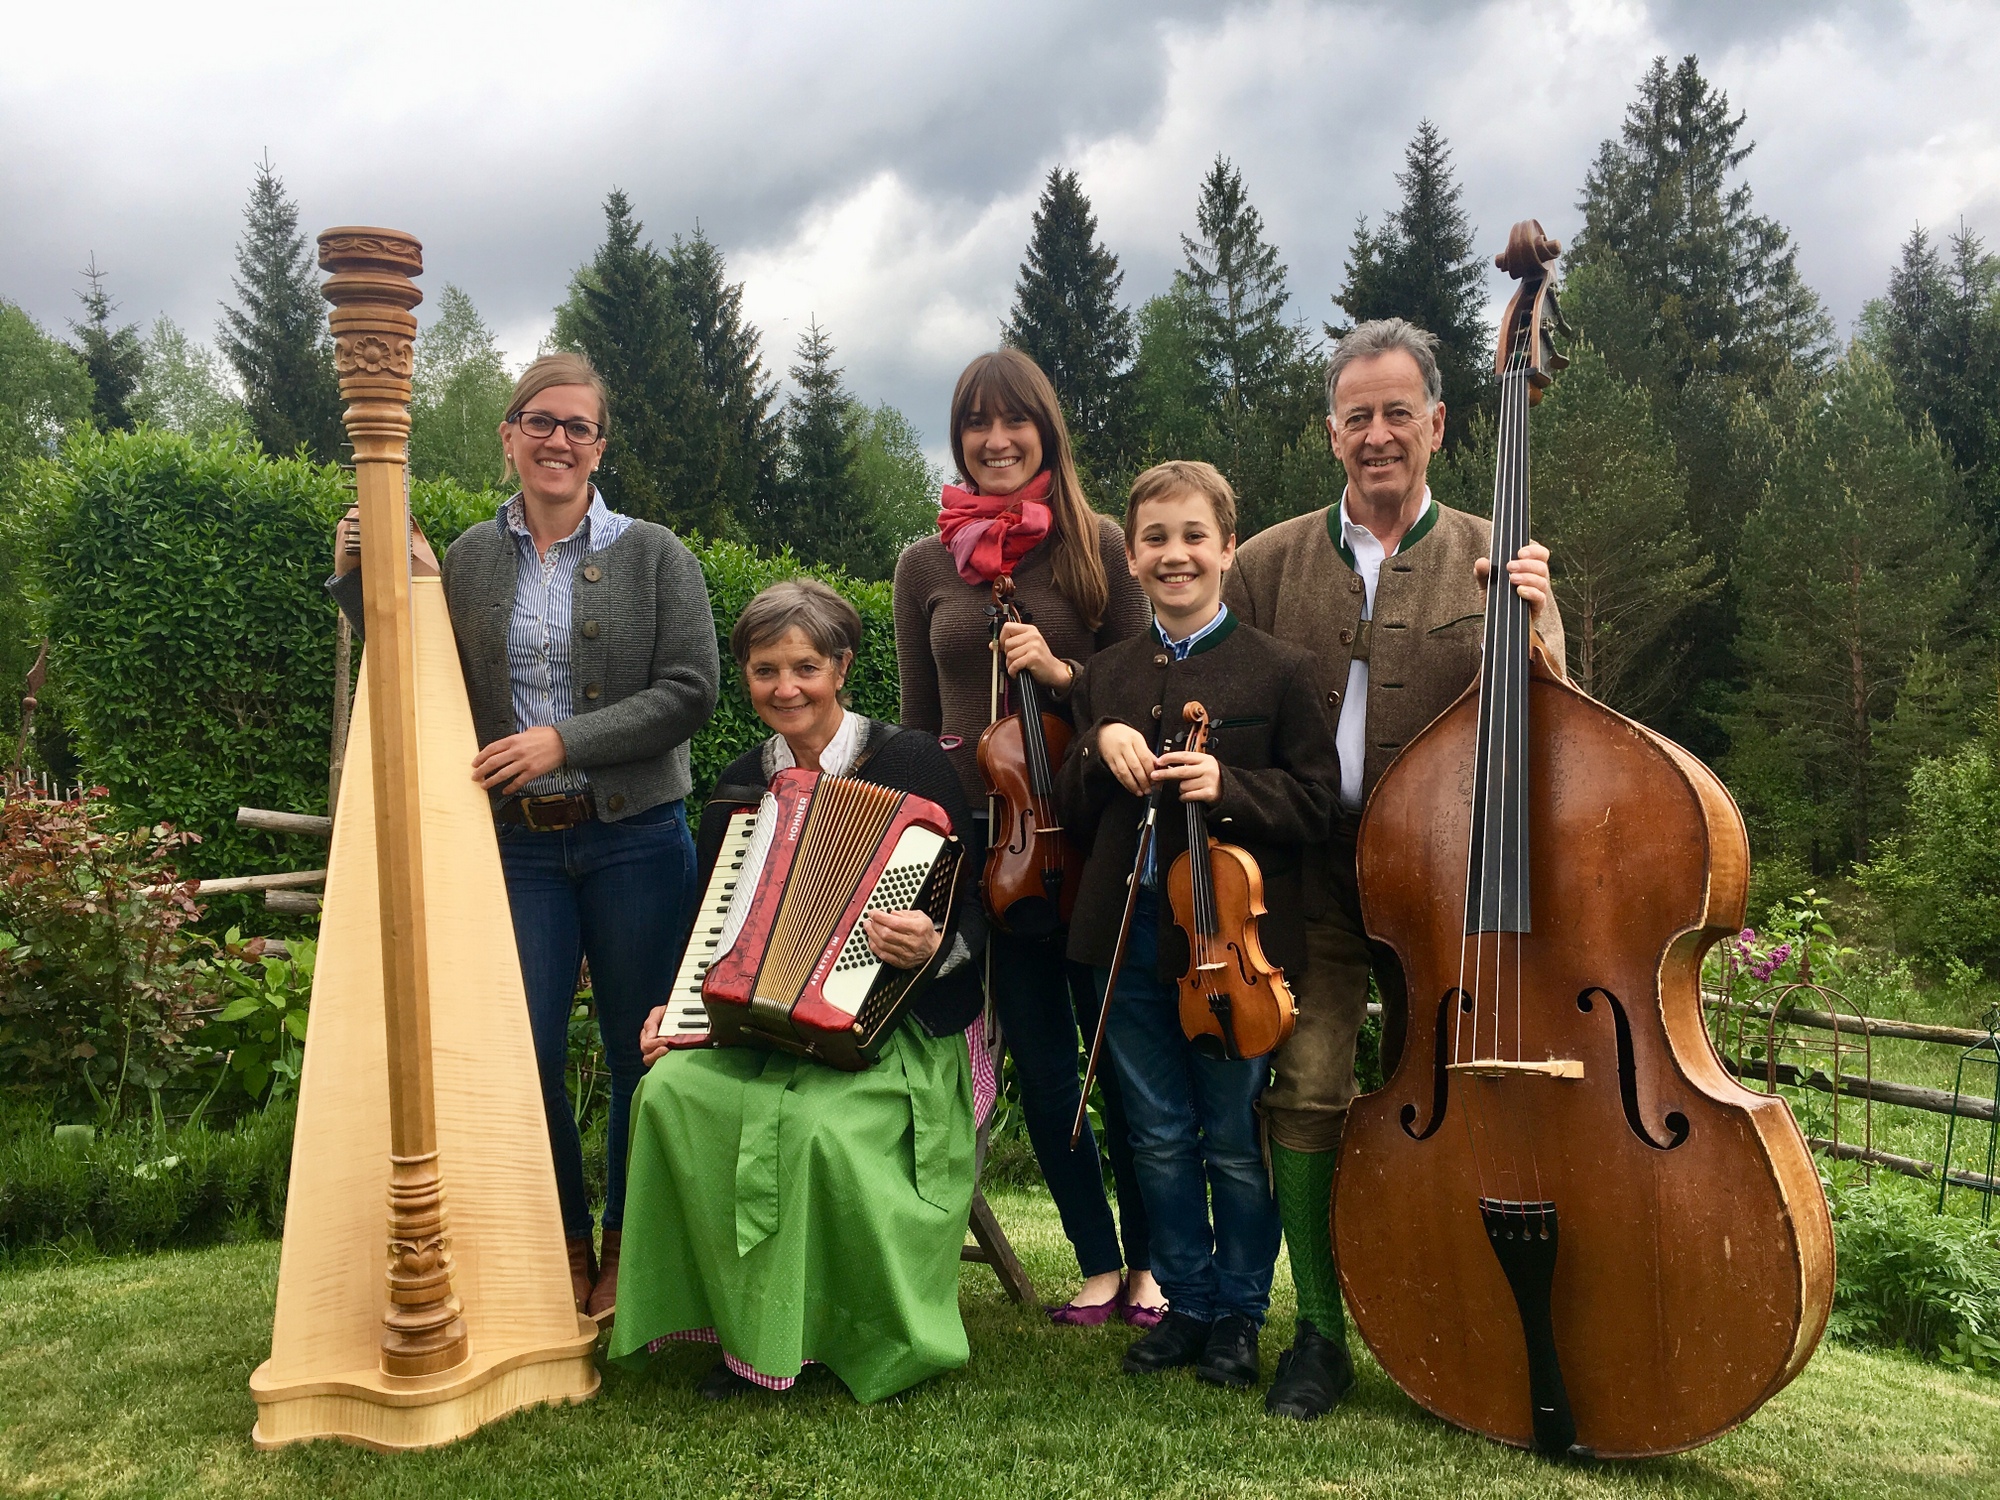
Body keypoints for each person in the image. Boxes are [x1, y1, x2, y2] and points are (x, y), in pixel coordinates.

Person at [1222, 318, 1567, 1420]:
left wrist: (1541, 631)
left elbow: (1561, 724)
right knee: (1308, 1088)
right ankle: (1317, 1336)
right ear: (1331, 433)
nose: (1377, 435)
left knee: (1478, 1101)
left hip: (1456, 891)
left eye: (1396, 412)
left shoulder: (1496, 550)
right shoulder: (1265, 562)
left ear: (1438, 423)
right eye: (1356, 416)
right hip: (1312, 878)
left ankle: (1469, 1311)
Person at [609, 579, 987, 1402]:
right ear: (744, 674)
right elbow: (709, 934)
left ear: (841, 667)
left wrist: (926, 944)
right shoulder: (739, 790)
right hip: (761, 1029)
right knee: (667, 1092)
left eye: (805, 666)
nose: (786, 688)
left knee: (818, 1125)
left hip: (893, 1031)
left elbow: (972, 920)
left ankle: (816, 1334)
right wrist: (672, 1013)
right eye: (765, 669)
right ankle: (732, 1325)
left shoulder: (914, 763)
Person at [427, 351, 719, 1320]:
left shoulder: (655, 554)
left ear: (600, 445)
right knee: (524, 1049)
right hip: (513, 848)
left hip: (636, 839)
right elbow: (413, 671)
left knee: (644, 1053)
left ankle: (628, 1248)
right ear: (508, 433)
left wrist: (562, 739)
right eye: (539, 421)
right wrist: (362, 580)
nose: (558, 440)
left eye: (578, 427)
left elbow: (691, 691)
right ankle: (558, 1234)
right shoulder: (466, 558)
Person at [1057, 460, 1340, 1392]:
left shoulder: (1281, 669)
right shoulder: (1104, 673)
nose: (1174, 556)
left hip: (1227, 948)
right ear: (1131, 557)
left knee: (1229, 1135)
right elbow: (1069, 803)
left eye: (1192, 537)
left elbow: (1316, 806)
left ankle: (1241, 1315)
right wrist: (1100, 744)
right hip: (1126, 936)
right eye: (1155, 540)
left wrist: (1232, 786)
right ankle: (1186, 1303)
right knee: (1158, 1135)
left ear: (1226, 547)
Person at [893, 348, 1162, 1325]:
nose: (996, 440)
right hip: (985, 847)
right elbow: (920, 726)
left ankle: (1154, 1262)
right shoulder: (925, 563)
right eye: (977, 424)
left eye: (1014, 422)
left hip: (1091, 833)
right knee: (1046, 1063)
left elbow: (1142, 689)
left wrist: (1056, 672)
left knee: (1122, 1057)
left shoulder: (1095, 545)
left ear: (1044, 430)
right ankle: (1095, 1261)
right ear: (960, 438)